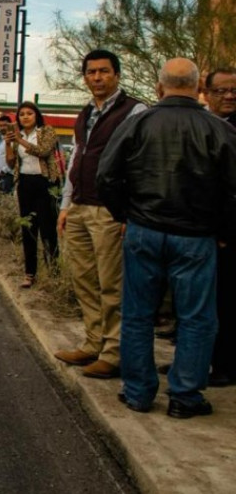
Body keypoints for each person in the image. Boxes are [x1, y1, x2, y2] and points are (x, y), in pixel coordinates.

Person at [97, 58, 236, 417]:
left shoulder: (138, 123)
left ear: (159, 88)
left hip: (143, 230)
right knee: (197, 318)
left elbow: (106, 176)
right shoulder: (219, 129)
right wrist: (223, 231)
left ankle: (138, 392)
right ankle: (185, 396)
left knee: (138, 314)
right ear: (198, 89)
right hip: (196, 237)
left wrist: (125, 215)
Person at [54, 49, 146, 380]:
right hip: (79, 206)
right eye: (91, 72)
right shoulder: (86, 114)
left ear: (117, 74)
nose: (97, 78)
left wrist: (128, 212)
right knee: (84, 281)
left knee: (112, 285)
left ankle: (113, 353)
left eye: (104, 71)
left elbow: (139, 164)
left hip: (109, 210)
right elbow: (77, 158)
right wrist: (66, 205)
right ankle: (93, 343)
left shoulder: (135, 111)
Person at [4, 102, 60, 289]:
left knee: (47, 228)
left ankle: (53, 271)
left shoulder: (46, 132)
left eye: (29, 113)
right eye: (22, 115)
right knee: (28, 227)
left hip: (44, 183)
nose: (25, 117)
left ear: (36, 116)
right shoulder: (17, 137)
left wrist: (20, 140)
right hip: (25, 183)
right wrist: (8, 143)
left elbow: (43, 151)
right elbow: (11, 163)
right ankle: (30, 273)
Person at [204, 68, 236, 387]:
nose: (228, 96)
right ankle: (201, 359)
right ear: (207, 92)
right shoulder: (202, 124)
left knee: (226, 303)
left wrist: (227, 233)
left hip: (227, 235)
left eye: (234, 91)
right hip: (198, 231)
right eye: (221, 91)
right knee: (200, 303)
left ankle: (225, 365)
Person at [0, 115, 15, 196]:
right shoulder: (2, 141)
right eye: (0, 126)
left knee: (5, 204)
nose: (2, 128)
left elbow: (13, 159)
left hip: (7, 177)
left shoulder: (13, 141)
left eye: (4, 125)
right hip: (0, 177)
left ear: (10, 125)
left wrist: (2, 173)